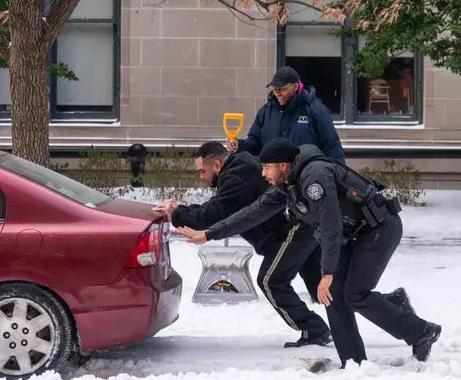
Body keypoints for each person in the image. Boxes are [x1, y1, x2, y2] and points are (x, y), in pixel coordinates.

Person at [177, 139, 441, 368]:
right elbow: (251, 213)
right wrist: (209, 234)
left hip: (379, 228)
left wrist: (327, 272)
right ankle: (353, 364)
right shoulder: (287, 186)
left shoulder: (314, 178)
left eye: (267, 168)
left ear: (283, 166)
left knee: (354, 294)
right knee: (334, 297)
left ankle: (421, 332)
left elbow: (330, 224)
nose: (263, 174)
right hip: (357, 232)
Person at [153, 141, 332, 348]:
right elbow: (218, 206)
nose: (201, 177)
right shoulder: (238, 168)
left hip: (292, 231)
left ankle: (317, 330)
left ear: (217, 165)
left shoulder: (237, 177)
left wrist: (175, 215)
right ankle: (349, 319)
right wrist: (180, 211)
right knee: (324, 286)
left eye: (203, 171)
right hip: (296, 228)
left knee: (271, 280)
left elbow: (214, 213)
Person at [226, 66, 345, 164]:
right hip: (272, 181)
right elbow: (256, 144)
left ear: (295, 87)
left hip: (305, 178)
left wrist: (337, 177)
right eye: (275, 89)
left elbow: (331, 146)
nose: (277, 93)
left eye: (282, 89)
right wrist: (239, 145)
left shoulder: (316, 110)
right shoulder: (266, 112)